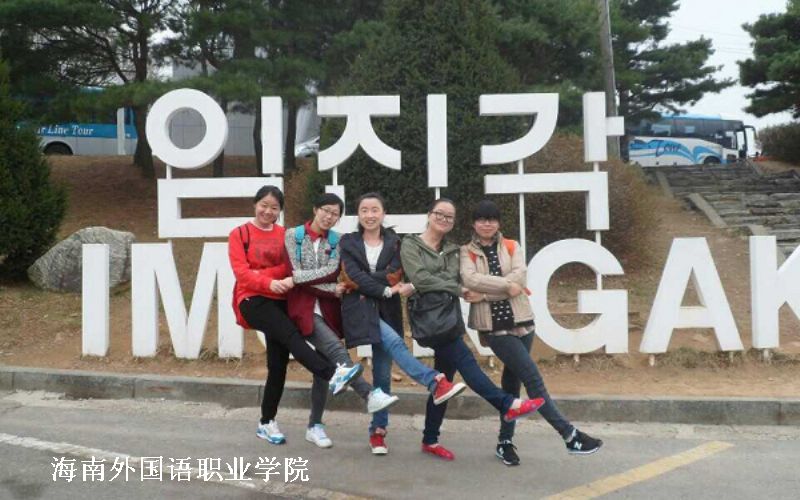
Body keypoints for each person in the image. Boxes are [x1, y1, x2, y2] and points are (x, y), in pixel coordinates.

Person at [400, 198, 545, 461]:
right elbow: (420, 277)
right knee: (467, 361)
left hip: (449, 318)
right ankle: (506, 403)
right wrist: (450, 287)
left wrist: (426, 283)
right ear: (429, 214)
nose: (443, 219)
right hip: (429, 320)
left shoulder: (453, 250)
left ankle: (430, 439)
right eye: (439, 214)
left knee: (443, 380)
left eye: (449, 217)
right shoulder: (411, 244)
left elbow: (448, 277)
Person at [461, 199, 603, 466]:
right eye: (481, 219)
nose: (487, 224)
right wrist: (506, 287)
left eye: (492, 219)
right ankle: (570, 436)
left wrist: (486, 294)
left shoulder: (512, 246)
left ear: (498, 222)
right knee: (533, 379)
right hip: (495, 329)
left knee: (512, 382)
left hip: (523, 322)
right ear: (473, 223)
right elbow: (470, 280)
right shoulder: (465, 252)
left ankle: (504, 442)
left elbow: (520, 278)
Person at [228, 185, 362, 446]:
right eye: (264, 205)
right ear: (255, 204)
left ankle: (266, 422)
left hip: (281, 299)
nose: (268, 211)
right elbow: (241, 273)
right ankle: (332, 374)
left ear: (280, 210)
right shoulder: (240, 233)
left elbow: (290, 268)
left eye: (274, 207)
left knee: (278, 364)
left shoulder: (285, 234)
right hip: (252, 299)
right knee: (291, 336)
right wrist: (267, 282)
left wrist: (267, 275)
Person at [339, 192, 467, 455]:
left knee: (382, 373)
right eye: (364, 210)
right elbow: (351, 275)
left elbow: (393, 275)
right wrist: (384, 288)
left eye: (375, 210)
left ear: (383, 213)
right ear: (358, 214)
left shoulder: (395, 242)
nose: (370, 215)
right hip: (360, 310)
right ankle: (434, 381)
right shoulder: (348, 242)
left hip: (387, 310)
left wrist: (367, 280)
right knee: (396, 342)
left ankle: (378, 431)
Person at [284, 192, 398, 449]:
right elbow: (296, 273)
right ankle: (368, 394)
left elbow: (332, 272)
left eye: (335, 213)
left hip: (330, 310)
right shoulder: (293, 236)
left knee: (323, 369)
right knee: (336, 350)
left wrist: (301, 279)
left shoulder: (338, 241)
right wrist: (325, 286)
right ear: (315, 209)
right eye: (325, 210)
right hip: (302, 308)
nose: (329, 216)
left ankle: (314, 425)